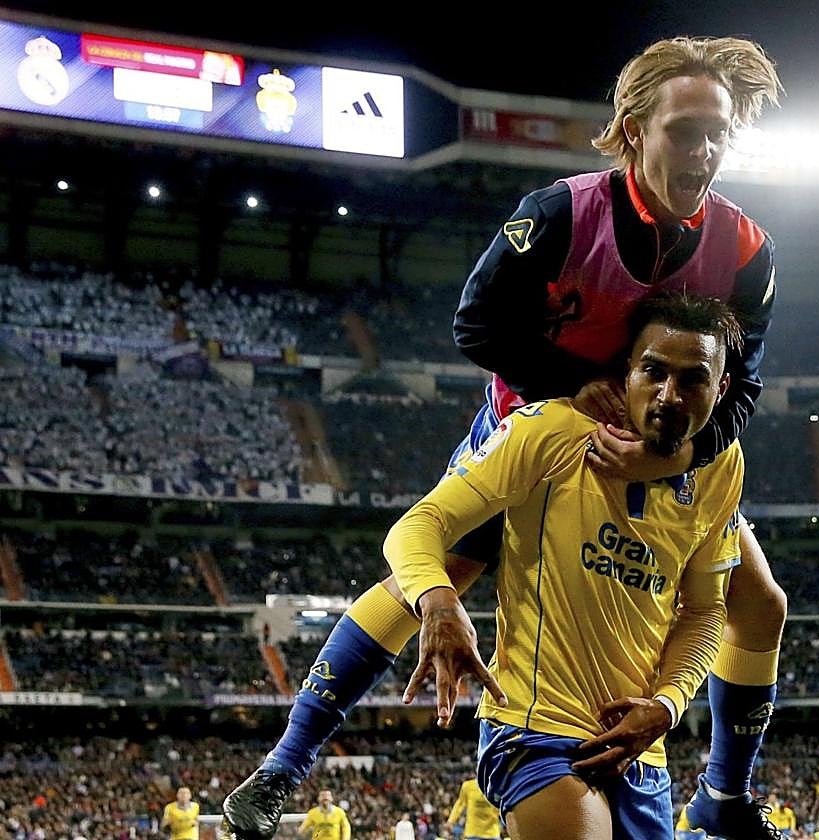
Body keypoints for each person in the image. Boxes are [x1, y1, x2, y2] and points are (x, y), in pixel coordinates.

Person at [221, 35, 786, 840]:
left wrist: (677, 454)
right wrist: (572, 387)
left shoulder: (748, 252)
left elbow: (742, 389)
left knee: (756, 600)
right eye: (684, 130)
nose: (703, 151)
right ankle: (284, 766)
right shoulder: (561, 212)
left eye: (716, 133)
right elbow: (475, 322)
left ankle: (724, 796)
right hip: (536, 424)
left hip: (660, 446)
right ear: (632, 129)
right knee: (433, 572)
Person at [390, 293, 746, 840]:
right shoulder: (551, 431)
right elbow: (420, 524)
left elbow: (702, 612)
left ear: (721, 389)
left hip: (640, 751)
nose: (669, 395)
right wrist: (437, 600)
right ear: (628, 369)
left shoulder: (721, 467)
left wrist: (667, 705)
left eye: (693, 379)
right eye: (653, 371)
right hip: (536, 727)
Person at [447, 776, 502, 840]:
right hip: (473, 834)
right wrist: (450, 821)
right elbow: (460, 804)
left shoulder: (497, 787)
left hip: (492, 833)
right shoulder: (468, 786)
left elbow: (500, 807)